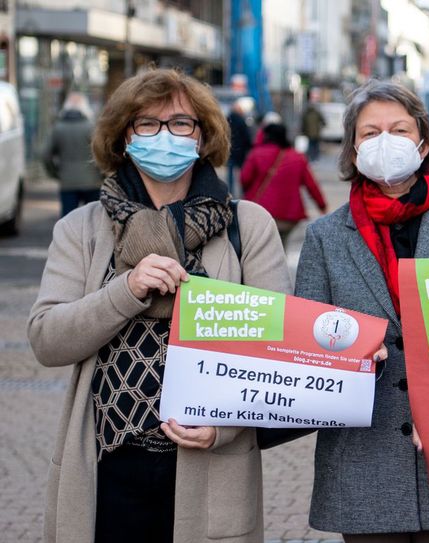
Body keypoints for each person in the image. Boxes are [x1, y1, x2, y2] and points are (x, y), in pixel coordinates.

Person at [28, 68, 291, 543]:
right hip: (108, 467)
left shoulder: (247, 226)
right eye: (146, 124)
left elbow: (276, 350)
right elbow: (47, 338)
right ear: (124, 138)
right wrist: (124, 291)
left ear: (203, 136)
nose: (164, 136)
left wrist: (223, 430)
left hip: (209, 468)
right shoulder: (82, 229)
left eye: (180, 124)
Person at [294, 80, 429, 542]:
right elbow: (306, 345)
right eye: (370, 134)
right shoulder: (325, 237)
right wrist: (346, 358)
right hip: (362, 458)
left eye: (399, 129)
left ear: (424, 143)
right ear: (352, 150)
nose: (385, 142)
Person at [241, 122, 327, 245]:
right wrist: (322, 205)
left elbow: (244, 179)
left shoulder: (256, 154)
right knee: (281, 247)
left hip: (262, 213)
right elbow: (311, 185)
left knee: (263, 249)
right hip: (289, 216)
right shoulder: (297, 157)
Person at [43, 91, 103, 216]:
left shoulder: (58, 128)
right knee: (93, 220)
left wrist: (56, 173)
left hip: (67, 182)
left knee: (67, 222)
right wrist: (102, 174)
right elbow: (102, 152)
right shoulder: (91, 127)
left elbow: (46, 155)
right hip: (92, 181)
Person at [227, 97, 253, 192]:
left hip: (230, 149)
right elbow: (246, 135)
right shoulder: (242, 121)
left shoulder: (228, 120)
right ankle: (243, 190)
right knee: (242, 173)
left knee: (230, 173)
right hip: (240, 150)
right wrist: (249, 146)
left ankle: (230, 191)